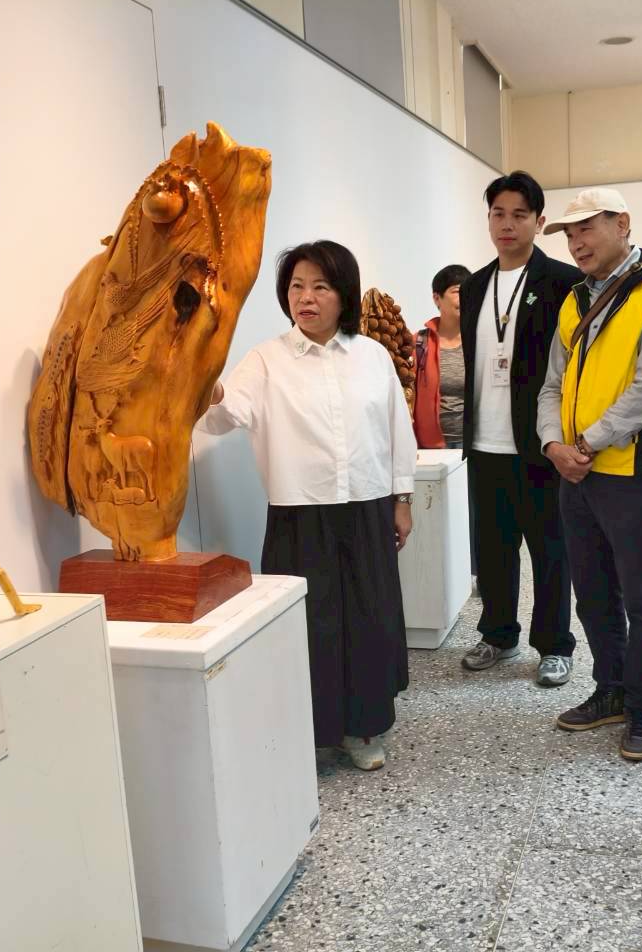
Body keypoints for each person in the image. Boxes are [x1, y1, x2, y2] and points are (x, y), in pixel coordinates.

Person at [201, 240, 417, 772]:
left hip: (367, 506)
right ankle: (312, 734)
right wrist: (204, 386)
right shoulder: (267, 360)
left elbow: (397, 431)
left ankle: (364, 729)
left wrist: (402, 499)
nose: (306, 297)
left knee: (368, 618)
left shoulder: (372, 357)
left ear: (343, 295)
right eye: (297, 286)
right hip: (299, 514)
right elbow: (224, 415)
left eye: (320, 286)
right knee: (310, 623)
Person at [536, 188, 642, 762]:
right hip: (575, 473)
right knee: (593, 591)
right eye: (569, 234)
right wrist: (553, 444)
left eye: (587, 229)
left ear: (622, 224)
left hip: (630, 470)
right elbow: (552, 385)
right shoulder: (574, 299)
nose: (576, 243)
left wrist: (587, 442)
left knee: (639, 595)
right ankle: (612, 689)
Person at [458, 171, 582, 687]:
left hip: (538, 444)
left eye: (519, 215)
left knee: (550, 549)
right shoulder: (473, 286)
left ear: (539, 221)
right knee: (493, 549)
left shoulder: (562, 282)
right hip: (484, 442)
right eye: (498, 214)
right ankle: (498, 633)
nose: (506, 224)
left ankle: (554, 644)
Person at [413, 264, 471, 449]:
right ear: (437, 298)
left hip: (473, 445)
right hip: (430, 447)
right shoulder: (419, 343)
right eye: (457, 291)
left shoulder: (479, 341)